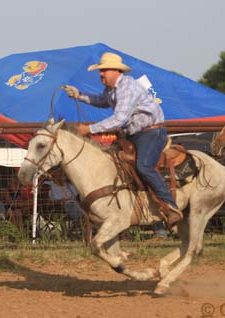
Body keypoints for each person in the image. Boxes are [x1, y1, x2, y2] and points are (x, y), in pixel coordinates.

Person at [62, 52, 183, 227]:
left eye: (103, 70)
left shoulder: (127, 88)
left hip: (150, 133)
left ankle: (170, 206)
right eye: (100, 70)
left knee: (144, 166)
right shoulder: (112, 89)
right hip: (134, 134)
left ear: (116, 71)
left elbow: (119, 119)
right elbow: (102, 101)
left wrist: (89, 129)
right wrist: (79, 95)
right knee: (111, 161)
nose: (101, 74)